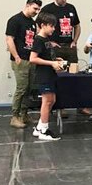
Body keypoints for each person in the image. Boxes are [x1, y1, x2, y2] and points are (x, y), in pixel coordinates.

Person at [40, 0, 88, 115]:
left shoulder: (71, 8)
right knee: (59, 78)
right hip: (56, 48)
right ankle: (61, 108)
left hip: (69, 46)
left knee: (74, 76)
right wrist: (49, 42)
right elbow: (39, 28)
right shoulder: (47, 9)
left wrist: (75, 41)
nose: (64, 0)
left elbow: (77, 26)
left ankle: (80, 105)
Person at [5, 0, 41, 129]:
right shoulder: (15, 20)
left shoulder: (32, 23)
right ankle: (15, 116)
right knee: (21, 88)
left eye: (38, 9)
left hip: (30, 59)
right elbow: (9, 39)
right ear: (27, 5)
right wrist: (16, 57)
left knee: (29, 88)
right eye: (34, 8)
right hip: (20, 60)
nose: (36, 12)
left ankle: (24, 114)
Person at [29, 12, 66, 141]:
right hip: (43, 75)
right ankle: (44, 130)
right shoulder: (38, 39)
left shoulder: (46, 40)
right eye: (51, 26)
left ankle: (40, 127)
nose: (54, 29)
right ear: (43, 25)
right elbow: (33, 59)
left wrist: (56, 59)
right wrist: (52, 63)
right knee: (47, 101)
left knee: (52, 100)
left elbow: (45, 55)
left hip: (50, 75)